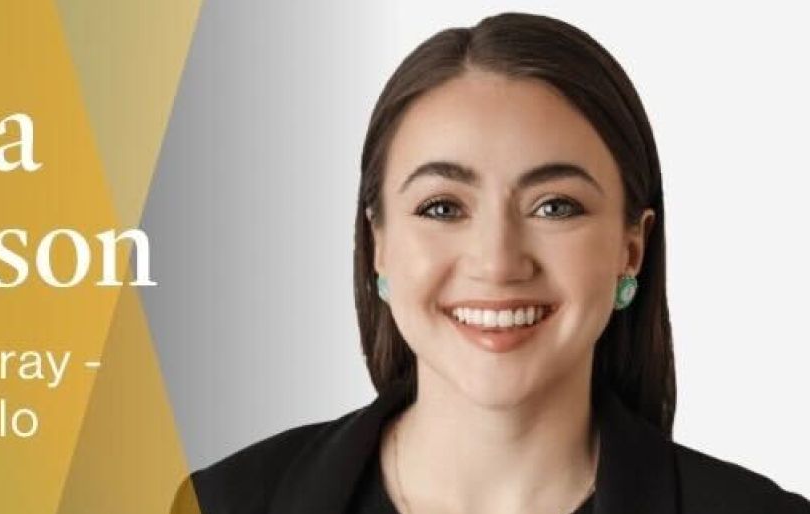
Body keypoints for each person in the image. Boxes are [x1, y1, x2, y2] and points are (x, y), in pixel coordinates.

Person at [170, 12, 810, 514]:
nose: (498, 262)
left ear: (631, 248)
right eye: (444, 207)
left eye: (555, 206)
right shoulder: (222, 504)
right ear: (378, 246)